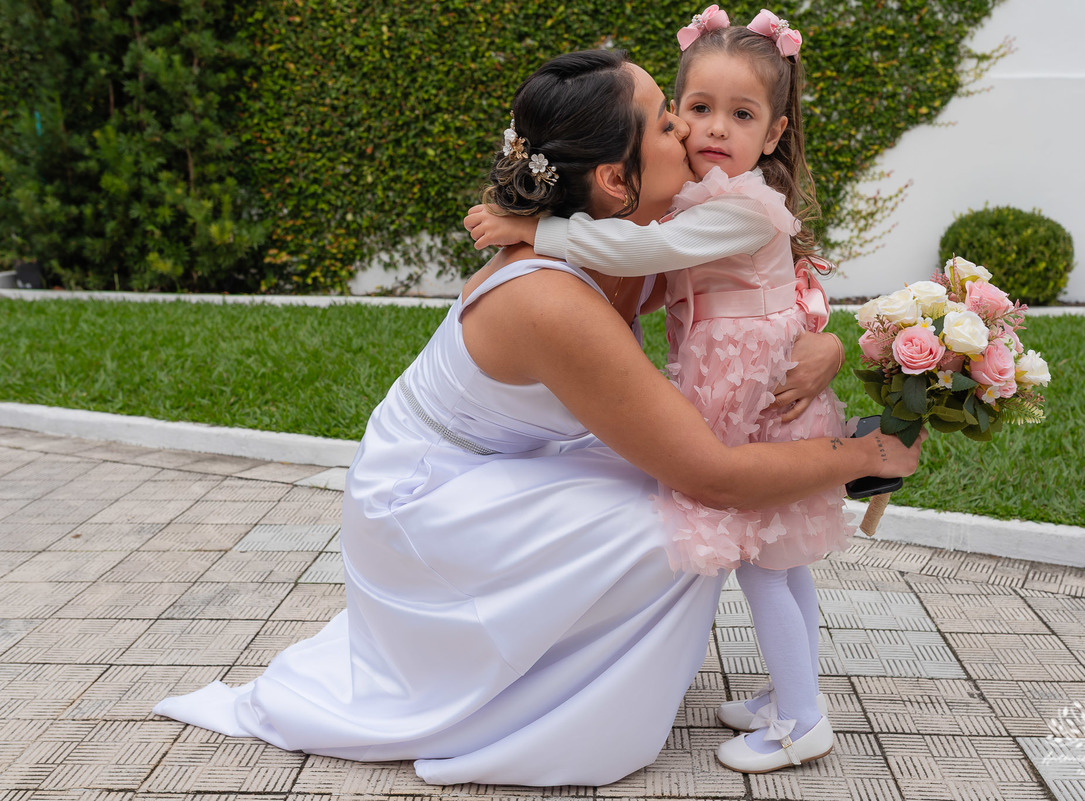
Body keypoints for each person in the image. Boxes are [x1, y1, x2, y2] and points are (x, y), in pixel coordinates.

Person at [154, 49, 923, 787]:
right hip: (423, 505)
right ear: (617, 181)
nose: (691, 131)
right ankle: (547, 706)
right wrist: (861, 453)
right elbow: (714, 475)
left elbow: (759, 290)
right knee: (683, 519)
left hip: (503, 464)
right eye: (666, 120)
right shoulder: (549, 297)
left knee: (677, 500)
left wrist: (823, 345)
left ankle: (585, 658)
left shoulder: (637, 243)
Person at [465, 8, 866, 774]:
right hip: (739, 380)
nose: (715, 128)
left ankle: (802, 716)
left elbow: (650, 248)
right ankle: (790, 691)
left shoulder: (744, 209)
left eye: (742, 114)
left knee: (762, 560)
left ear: (775, 134)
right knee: (780, 557)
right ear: (676, 112)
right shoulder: (712, 200)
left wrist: (535, 232)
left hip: (749, 389)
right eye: (698, 109)